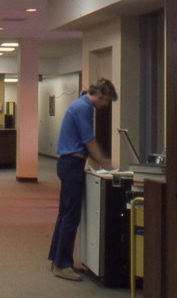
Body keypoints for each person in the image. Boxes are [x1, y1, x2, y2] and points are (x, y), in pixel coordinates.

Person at [48, 78, 116, 281]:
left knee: (64, 214)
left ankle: (57, 259)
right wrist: (105, 162)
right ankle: (62, 264)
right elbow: (89, 140)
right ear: (101, 94)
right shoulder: (84, 108)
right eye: (107, 100)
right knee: (71, 216)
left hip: (68, 164)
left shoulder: (81, 105)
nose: (106, 105)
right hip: (71, 165)